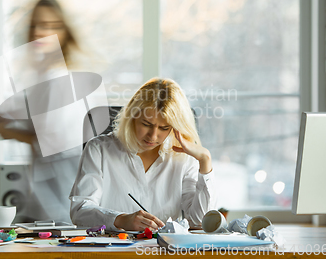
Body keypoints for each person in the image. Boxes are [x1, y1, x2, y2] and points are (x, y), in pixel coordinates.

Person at [69, 78, 217, 231]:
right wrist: (119, 220)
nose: (153, 136)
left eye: (164, 128)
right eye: (146, 124)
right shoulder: (99, 149)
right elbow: (80, 210)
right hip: (111, 250)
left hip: (164, 251)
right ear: (132, 117)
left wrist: (205, 161)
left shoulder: (185, 157)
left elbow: (199, 221)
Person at [0, 0, 85, 223]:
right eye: (36, 25)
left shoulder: (59, 75)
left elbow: (49, 137)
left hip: (62, 181)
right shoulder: (41, 73)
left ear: (64, 32)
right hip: (45, 182)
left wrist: (9, 132)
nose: (40, 33)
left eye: (50, 26)